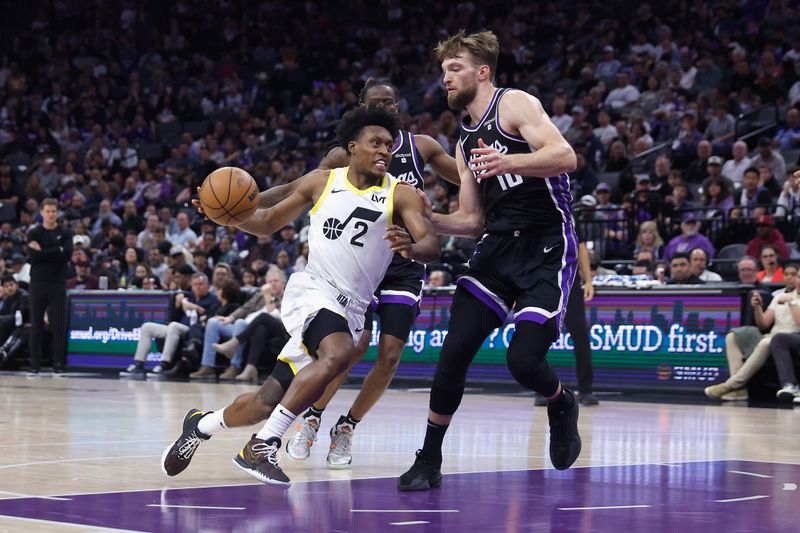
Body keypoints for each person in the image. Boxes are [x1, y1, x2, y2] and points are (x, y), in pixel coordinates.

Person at [160, 106, 439, 486]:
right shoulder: (321, 182)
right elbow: (268, 222)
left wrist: (414, 247)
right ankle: (262, 446)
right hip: (314, 292)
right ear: (352, 146)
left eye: (389, 145)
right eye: (376, 143)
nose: (385, 151)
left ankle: (200, 425)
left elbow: (430, 242)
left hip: (352, 310)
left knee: (263, 404)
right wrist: (225, 216)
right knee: (339, 353)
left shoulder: (400, 193)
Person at [396, 30, 581, 492]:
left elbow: (567, 156)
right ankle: (429, 459)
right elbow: (473, 220)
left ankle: (561, 402)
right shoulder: (464, 143)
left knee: (524, 363)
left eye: (454, 68)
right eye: (442, 71)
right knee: (453, 352)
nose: (445, 78)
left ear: (481, 72)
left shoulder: (515, 103)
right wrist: (427, 218)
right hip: (496, 247)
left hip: (546, 244)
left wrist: (509, 162)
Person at [278, 77, 460, 469]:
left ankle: (347, 426)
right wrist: (245, 204)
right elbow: (299, 187)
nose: (388, 109)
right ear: (362, 108)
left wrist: (504, 172)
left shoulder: (421, 146)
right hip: (355, 267)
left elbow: (468, 180)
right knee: (349, 350)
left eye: (392, 103)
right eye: (379, 103)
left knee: (390, 355)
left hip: (403, 263)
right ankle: (313, 415)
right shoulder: (345, 155)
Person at [705, 273, 800, 400]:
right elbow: (764, 324)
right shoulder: (780, 297)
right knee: (733, 336)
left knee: (767, 342)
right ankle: (739, 391)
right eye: (799, 277)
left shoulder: (789, 300)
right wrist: (758, 307)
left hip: (791, 338)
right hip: (772, 335)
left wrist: (792, 303)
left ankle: (731, 384)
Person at [119, 272, 219, 379]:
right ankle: (139, 364)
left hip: (193, 331)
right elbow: (175, 309)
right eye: (195, 284)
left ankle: (164, 364)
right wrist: (178, 301)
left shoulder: (213, 300)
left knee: (174, 326)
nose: (198, 287)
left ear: (207, 286)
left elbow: (210, 316)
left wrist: (194, 307)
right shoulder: (188, 296)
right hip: (177, 328)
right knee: (147, 327)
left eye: (201, 284)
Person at [26, 198, 73, 375]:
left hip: (57, 283)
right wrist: (57, 250)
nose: (51, 214)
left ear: (57, 213)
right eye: (48, 211)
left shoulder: (66, 232)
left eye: (54, 211)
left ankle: (58, 364)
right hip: (38, 282)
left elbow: (67, 254)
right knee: (36, 324)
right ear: (42, 213)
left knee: (58, 325)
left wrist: (44, 252)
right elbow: (34, 258)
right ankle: (34, 365)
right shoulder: (34, 232)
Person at [0, 275, 30, 368]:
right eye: (6, 286)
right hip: (14, 326)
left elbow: (19, 317)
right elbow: (3, 313)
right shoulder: (8, 299)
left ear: (16, 285)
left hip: (25, 327)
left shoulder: (24, 296)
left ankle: (4, 352)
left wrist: (2, 318)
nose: (9, 288)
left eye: (11, 285)